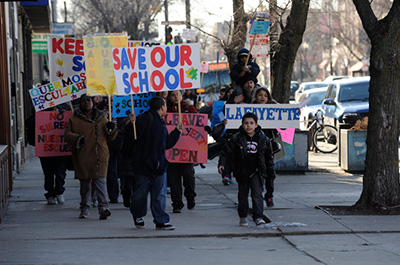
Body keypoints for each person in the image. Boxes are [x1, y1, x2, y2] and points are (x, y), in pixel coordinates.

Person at [128, 96, 182, 230]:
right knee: (140, 194)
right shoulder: (145, 119)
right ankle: (138, 215)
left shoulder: (161, 122)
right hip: (144, 165)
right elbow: (132, 136)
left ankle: (161, 220)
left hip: (159, 165)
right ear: (162, 107)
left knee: (160, 194)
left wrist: (176, 132)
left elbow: (166, 143)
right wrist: (132, 124)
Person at [64, 94, 118, 220]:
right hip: (84, 155)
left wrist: (112, 129)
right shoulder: (74, 119)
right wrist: (77, 138)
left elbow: (110, 136)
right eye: (84, 101)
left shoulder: (101, 117)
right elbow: (67, 135)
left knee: (100, 181)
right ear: (80, 103)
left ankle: (104, 208)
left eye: (89, 100)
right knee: (85, 184)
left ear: (93, 102)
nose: (87, 103)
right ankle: (85, 208)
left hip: (100, 154)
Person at [218, 112, 276, 227]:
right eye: (246, 123)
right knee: (243, 195)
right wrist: (222, 164)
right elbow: (226, 151)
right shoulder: (237, 138)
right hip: (242, 171)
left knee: (257, 194)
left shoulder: (263, 138)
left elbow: (268, 157)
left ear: (256, 125)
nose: (248, 126)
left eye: (251, 123)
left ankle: (258, 216)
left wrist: (270, 170)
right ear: (242, 125)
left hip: (256, 171)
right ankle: (243, 216)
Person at [166, 90, 197, 213]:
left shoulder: (189, 107)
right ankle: (177, 203)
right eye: (172, 95)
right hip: (171, 150)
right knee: (173, 179)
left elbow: (197, 123)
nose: (175, 97)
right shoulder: (166, 109)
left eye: (177, 95)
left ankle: (190, 197)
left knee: (188, 175)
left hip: (186, 149)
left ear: (181, 96)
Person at [252, 87, 280, 207]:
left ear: (268, 98)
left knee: (270, 173)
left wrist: (294, 115)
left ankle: (269, 196)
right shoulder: (249, 110)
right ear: (255, 97)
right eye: (260, 95)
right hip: (253, 146)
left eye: (265, 95)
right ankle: (257, 195)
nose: (262, 97)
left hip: (268, 147)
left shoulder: (273, 111)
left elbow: (284, 125)